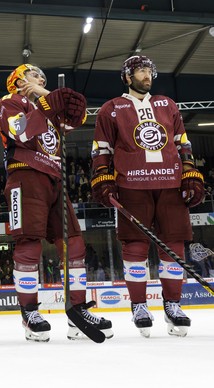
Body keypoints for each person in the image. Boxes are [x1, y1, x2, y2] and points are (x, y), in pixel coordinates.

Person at [0, 64, 112, 342]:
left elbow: (77, 117)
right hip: (24, 175)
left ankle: (77, 308)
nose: (40, 79)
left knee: (74, 243)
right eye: (35, 76)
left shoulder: (46, 108)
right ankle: (29, 313)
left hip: (55, 179)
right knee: (29, 242)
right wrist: (47, 101)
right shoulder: (9, 102)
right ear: (19, 79)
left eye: (43, 78)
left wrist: (57, 98)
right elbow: (21, 132)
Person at [91, 55, 205, 338]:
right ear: (127, 77)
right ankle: (139, 306)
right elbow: (101, 149)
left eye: (149, 71)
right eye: (140, 71)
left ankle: (173, 305)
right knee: (135, 248)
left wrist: (189, 171)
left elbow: (183, 142)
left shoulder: (167, 104)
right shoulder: (111, 108)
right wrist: (103, 177)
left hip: (170, 183)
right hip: (132, 184)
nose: (147, 75)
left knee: (173, 248)